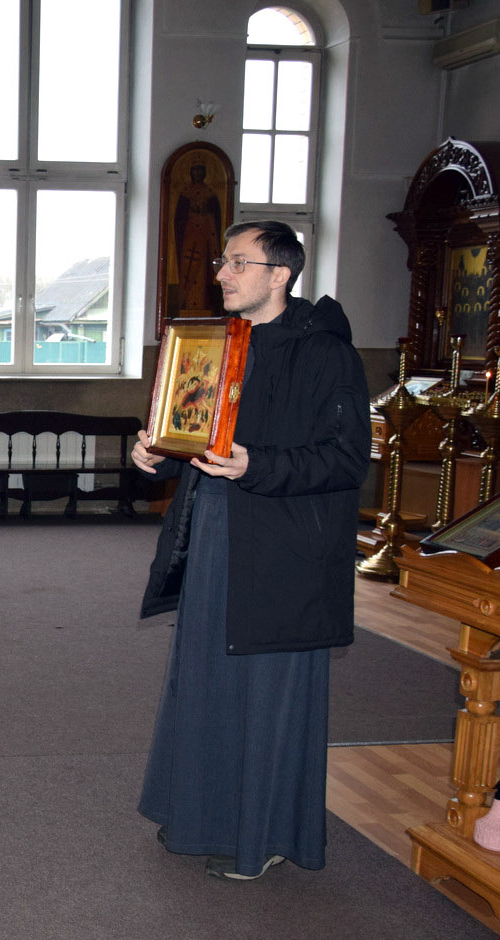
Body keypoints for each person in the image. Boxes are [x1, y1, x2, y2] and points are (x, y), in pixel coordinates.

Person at [133, 220, 370, 881]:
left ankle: (262, 838)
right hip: (215, 532)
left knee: (268, 695)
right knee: (208, 678)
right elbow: (197, 434)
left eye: (239, 262)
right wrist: (157, 453)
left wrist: (256, 465)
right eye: (223, 261)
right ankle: (201, 816)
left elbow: (347, 459)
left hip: (285, 552)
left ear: (280, 274)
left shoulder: (326, 354)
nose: (222, 274)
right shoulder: (220, 343)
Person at [172, 162, 223, 316]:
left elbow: (217, 219)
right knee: (188, 268)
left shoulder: (210, 193)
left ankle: (203, 305)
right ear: (191, 173)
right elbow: (178, 220)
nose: (198, 174)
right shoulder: (185, 193)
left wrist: (206, 216)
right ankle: (185, 303)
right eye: (195, 171)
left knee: (202, 271)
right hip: (189, 238)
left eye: (201, 171)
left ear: (205, 173)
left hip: (205, 239)